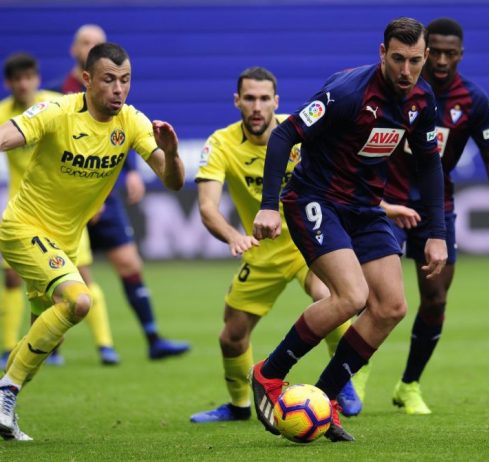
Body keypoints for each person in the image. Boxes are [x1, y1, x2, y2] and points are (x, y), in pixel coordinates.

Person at [250, 17, 448, 442]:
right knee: (351, 297)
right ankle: (269, 373)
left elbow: (430, 163)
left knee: (391, 307)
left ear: (426, 57)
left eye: (415, 60)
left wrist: (437, 233)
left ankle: (324, 399)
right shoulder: (348, 93)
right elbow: (284, 135)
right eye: (398, 59)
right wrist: (267, 207)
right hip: (315, 199)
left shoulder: (422, 99)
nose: (406, 70)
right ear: (382, 53)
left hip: (365, 208)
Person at [0, 43, 185, 440]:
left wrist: (172, 154)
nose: (119, 89)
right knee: (79, 301)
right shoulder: (57, 111)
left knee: (41, 338)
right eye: (109, 80)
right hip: (23, 228)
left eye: (125, 80)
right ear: (86, 79)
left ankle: (7, 409)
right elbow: (8, 135)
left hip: (65, 241)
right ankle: (6, 391)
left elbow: (173, 182)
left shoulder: (132, 121)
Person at [363, 17, 489, 415]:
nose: (440, 60)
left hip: (436, 207)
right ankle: (356, 374)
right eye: (434, 52)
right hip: (384, 201)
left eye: (449, 53)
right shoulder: (395, 89)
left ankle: (409, 384)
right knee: (372, 295)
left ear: (460, 55)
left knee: (436, 298)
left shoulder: (473, 101)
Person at [190, 67, 360, 423]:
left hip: (305, 243)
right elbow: (207, 207)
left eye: (264, 98)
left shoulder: (298, 132)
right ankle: (239, 406)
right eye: (249, 98)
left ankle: (340, 380)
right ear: (237, 101)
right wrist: (234, 236)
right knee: (231, 336)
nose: (257, 106)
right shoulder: (220, 144)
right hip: (260, 252)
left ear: (276, 102)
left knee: (331, 297)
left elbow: (340, 172)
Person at [61, 24, 190, 359]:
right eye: (86, 42)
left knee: (130, 263)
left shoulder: (117, 102)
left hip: (105, 197)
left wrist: (132, 170)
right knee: (68, 277)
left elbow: (119, 134)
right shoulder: (57, 97)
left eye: (97, 42)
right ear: (76, 51)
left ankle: (153, 338)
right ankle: (58, 347)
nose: (91, 46)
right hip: (66, 202)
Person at [0, 52, 119, 370]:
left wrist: (97, 197)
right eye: (17, 79)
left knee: (82, 277)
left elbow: (96, 144)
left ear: (37, 78)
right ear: (9, 83)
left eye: (28, 77)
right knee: (12, 280)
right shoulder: (4, 115)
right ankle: (10, 347)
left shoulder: (55, 106)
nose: (23, 84)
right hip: (23, 213)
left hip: (65, 213)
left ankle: (105, 345)